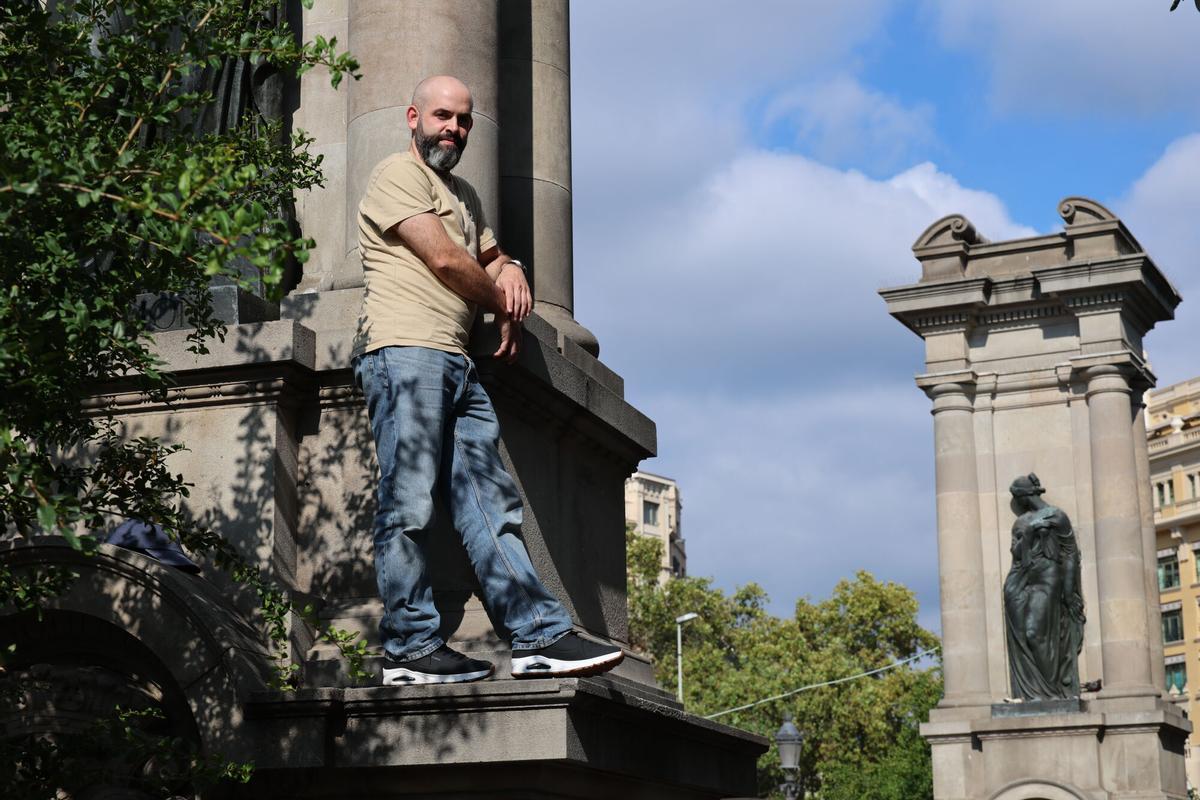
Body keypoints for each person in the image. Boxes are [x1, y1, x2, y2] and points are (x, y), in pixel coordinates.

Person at [351, 75, 623, 685]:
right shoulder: (396, 175)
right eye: (442, 116)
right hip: (405, 352)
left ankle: (537, 635)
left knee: (489, 502)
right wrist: (502, 302)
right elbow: (447, 259)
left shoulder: (464, 195)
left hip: (455, 360)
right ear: (414, 117)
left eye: (464, 120)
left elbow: (489, 255)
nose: (454, 128)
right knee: (408, 502)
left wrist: (513, 266)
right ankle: (408, 647)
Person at [1003, 473, 1085, 700]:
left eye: (1016, 497)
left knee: (1033, 633)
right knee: (1021, 637)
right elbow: (1017, 555)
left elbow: (1070, 553)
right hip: (1018, 581)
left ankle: (1052, 692)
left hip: (1048, 579)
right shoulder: (1020, 523)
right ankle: (1031, 694)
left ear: (1024, 496)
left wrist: (1068, 591)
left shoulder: (1057, 516)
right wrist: (1029, 535)